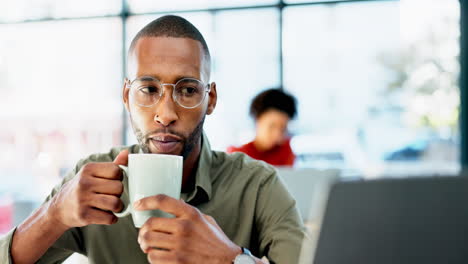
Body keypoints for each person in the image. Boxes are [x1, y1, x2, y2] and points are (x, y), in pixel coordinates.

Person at [0, 15, 305, 264]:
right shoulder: (91, 181)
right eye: (148, 89)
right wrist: (53, 215)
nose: (166, 114)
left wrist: (231, 260)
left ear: (209, 99)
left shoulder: (257, 186)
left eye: (187, 90)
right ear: (126, 96)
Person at [228, 88, 297, 166]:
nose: (277, 134)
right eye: (272, 126)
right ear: (257, 120)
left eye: (283, 128)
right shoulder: (239, 156)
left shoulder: (285, 151)